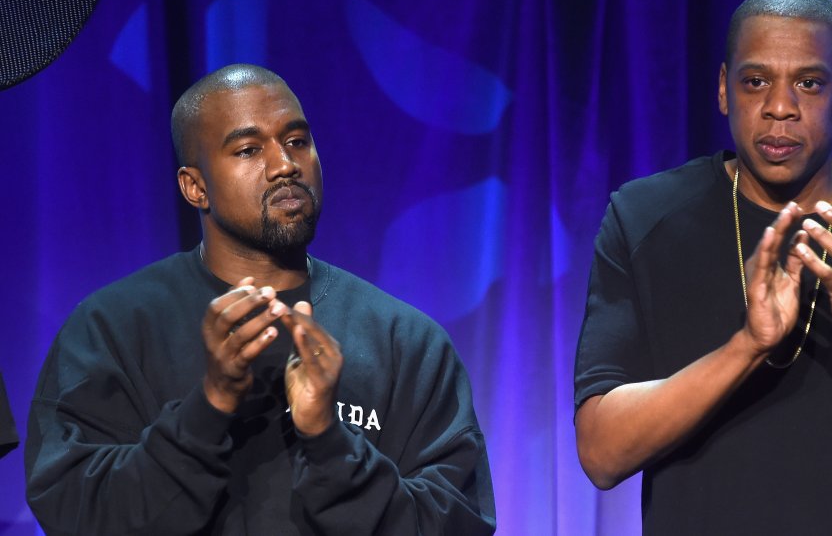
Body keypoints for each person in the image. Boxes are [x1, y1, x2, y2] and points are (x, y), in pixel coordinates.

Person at [574, 0, 832, 535]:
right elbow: (601, 454)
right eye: (756, 81)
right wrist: (748, 346)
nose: (780, 108)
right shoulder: (643, 217)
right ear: (724, 89)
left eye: (809, 83)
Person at [25, 64, 496, 535]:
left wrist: (329, 441)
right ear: (195, 186)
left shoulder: (405, 341)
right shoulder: (112, 328)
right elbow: (78, 513)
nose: (285, 165)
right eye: (249, 149)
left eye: (297, 141)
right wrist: (209, 407)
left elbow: (458, 523)